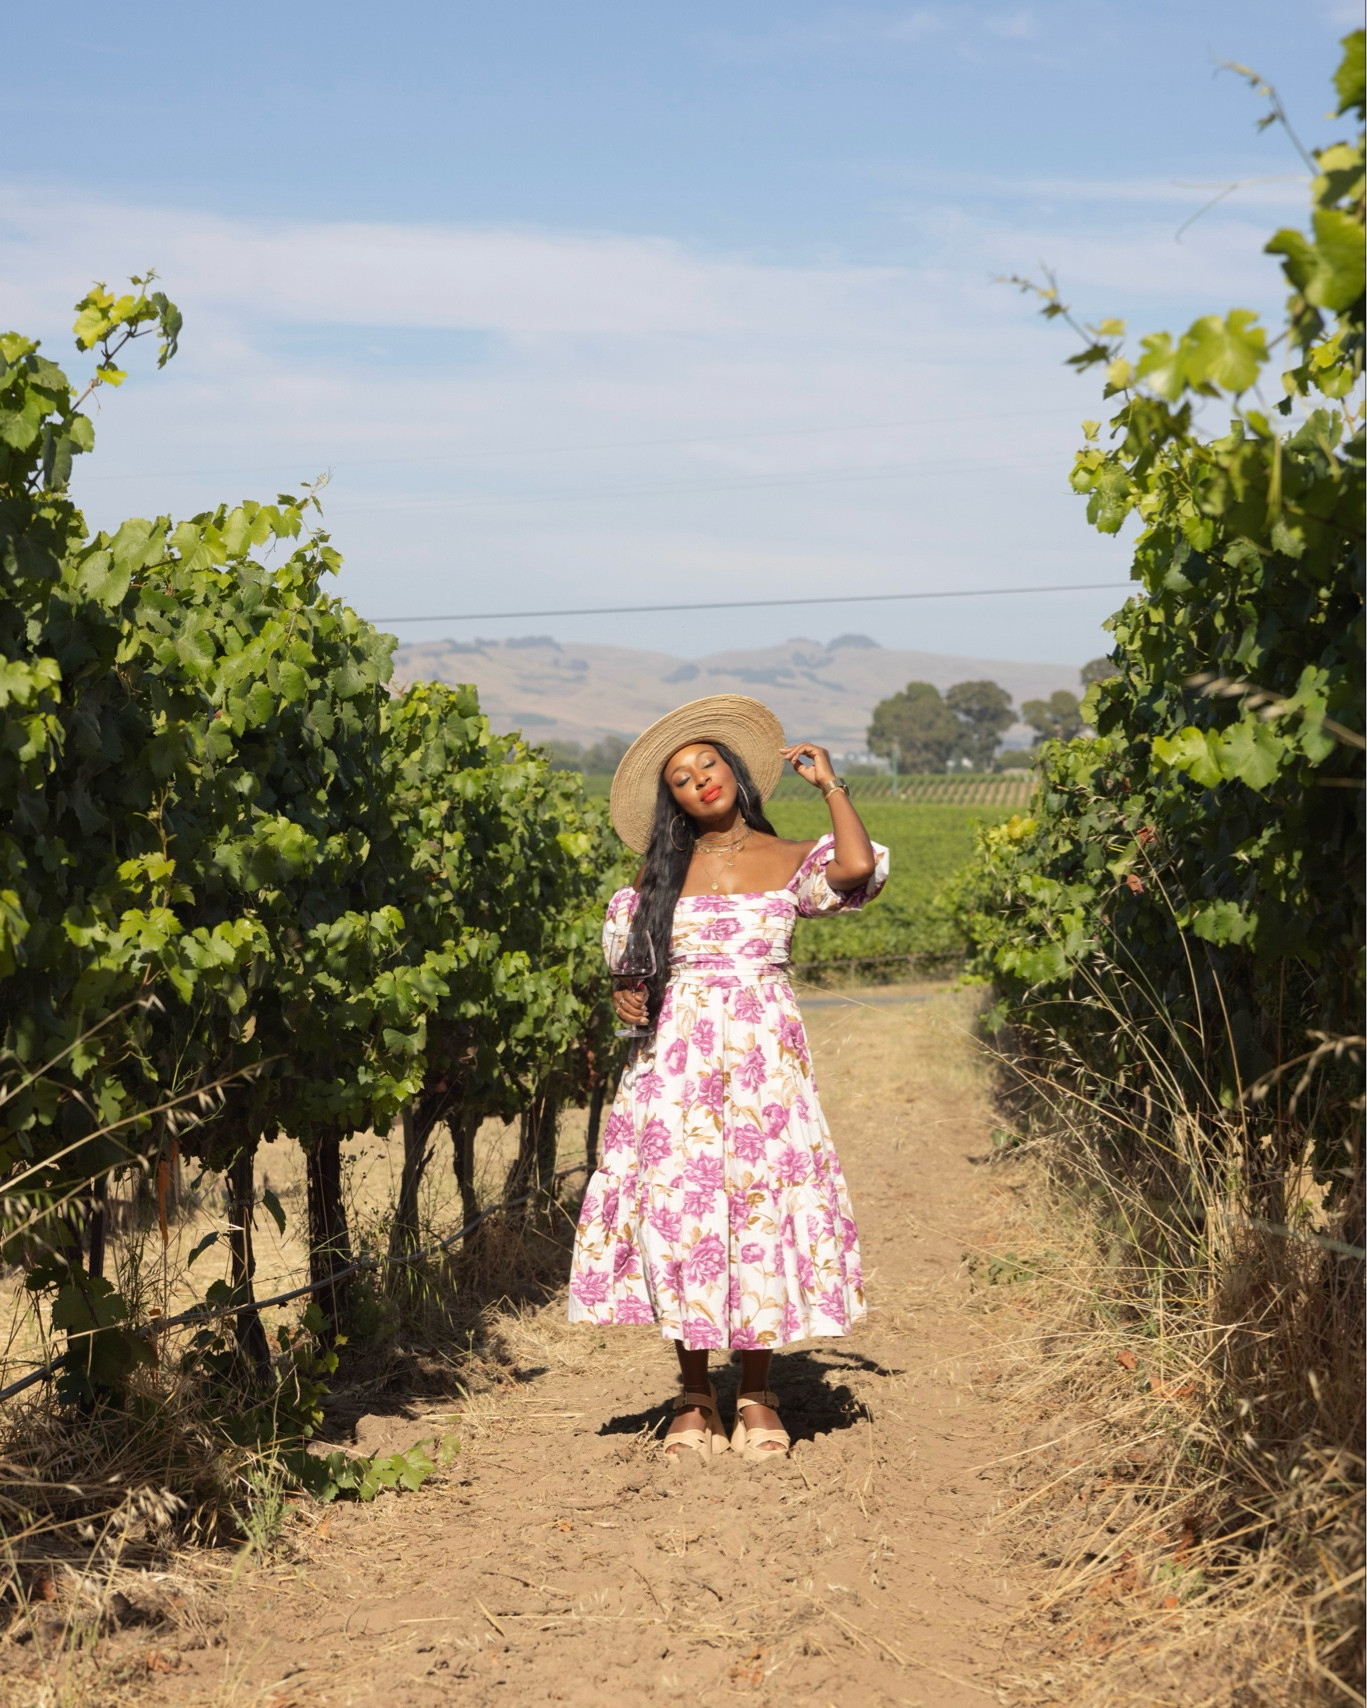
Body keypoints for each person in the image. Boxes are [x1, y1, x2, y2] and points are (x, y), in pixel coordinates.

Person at [568, 694, 888, 1459]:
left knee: (756, 1213)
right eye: (680, 777)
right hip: (674, 1071)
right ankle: (691, 1393)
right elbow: (630, 980)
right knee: (683, 1217)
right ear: (671, 800)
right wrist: (623, 990)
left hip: (761, 1071)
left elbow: (852, 868)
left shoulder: (788, 860)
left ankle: (755, 1392)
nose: (698, 780)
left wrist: (829, 785)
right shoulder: (655, 877)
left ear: (735, 773)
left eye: (707, 763)